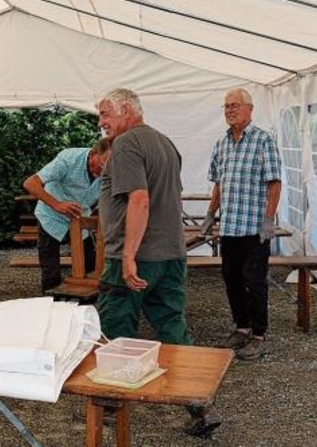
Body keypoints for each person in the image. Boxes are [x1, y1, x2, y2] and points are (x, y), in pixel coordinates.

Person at [94, 87, 221, 438]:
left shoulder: (126, 144)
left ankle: (110, 405)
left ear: (127, 111)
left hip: (138, 256)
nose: (101, 122)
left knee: (116, 328)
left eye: (105, 114)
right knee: (172, 328)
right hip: (172, 253)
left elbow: (139, 201)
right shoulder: (165, 142)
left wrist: (129, 257)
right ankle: (200, 404)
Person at [202, 87, 282, 361]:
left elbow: (274, 182)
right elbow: (219, 183)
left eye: (235, 105)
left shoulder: (263, 141)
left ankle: (260, 335)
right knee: (232, 279)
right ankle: (242, 327)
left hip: (254, 228)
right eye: (226, 106)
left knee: (255, 282)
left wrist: (269, 219)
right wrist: (210, 214)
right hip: (230, 228)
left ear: (250, 109)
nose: (230, 110)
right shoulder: (222, 144)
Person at [22, 138, 112, 293]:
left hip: (80, 220)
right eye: (102, 165)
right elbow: (30, 183)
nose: (105, 171)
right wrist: (57, 204)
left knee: (91, 266)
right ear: (94, 154)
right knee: (51, 273)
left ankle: (85, 310)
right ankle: (50, 308)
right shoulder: (68, 159)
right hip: (51, 217)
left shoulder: (112, 171)